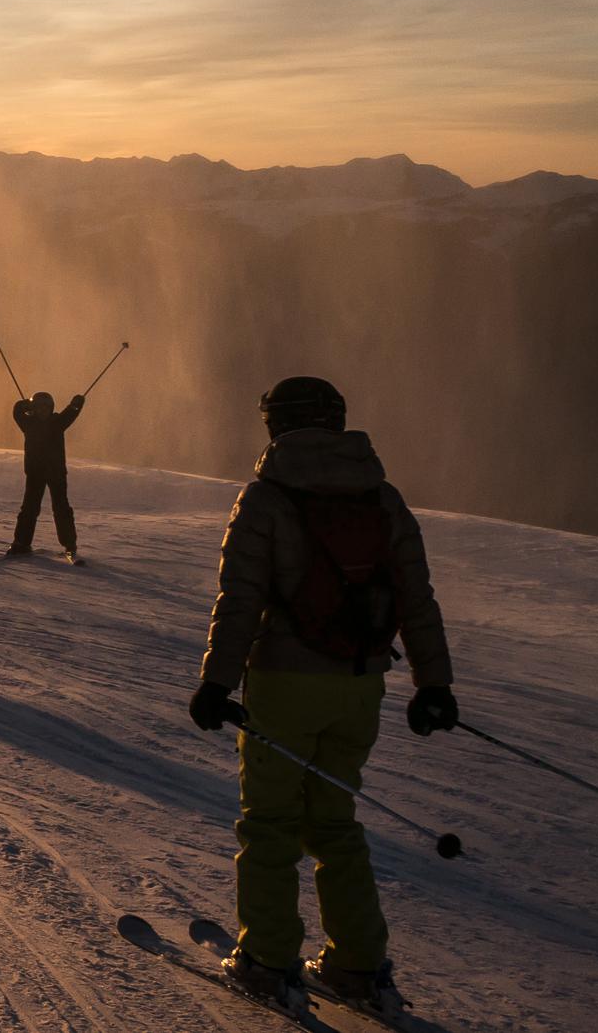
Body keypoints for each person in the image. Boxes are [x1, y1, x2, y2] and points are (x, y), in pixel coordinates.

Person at [186, 375, 456, 1021]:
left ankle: (268, 960)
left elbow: (241, 600)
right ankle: (358, 965)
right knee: (334, 823)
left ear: (277, 426)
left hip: (284, 683)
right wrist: (433, 685)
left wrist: (216, 682)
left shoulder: (265, 499)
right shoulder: (381, 499)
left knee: (270, 823)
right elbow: (415, 598)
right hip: (358, 687)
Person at [3, 389, 84, 558]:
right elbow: (16, 411)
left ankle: (70, 543)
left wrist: (76, 404)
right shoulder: (29, 423)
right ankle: (21, 543)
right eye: (39, 408)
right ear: (34, 409)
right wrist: (24, 404)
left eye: (46, 408)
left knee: (61, 508)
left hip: (56, 473)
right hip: (35, 473)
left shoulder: (57, 422)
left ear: (51, 408)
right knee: (29, 508)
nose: (43, 411)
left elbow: (71, 413)